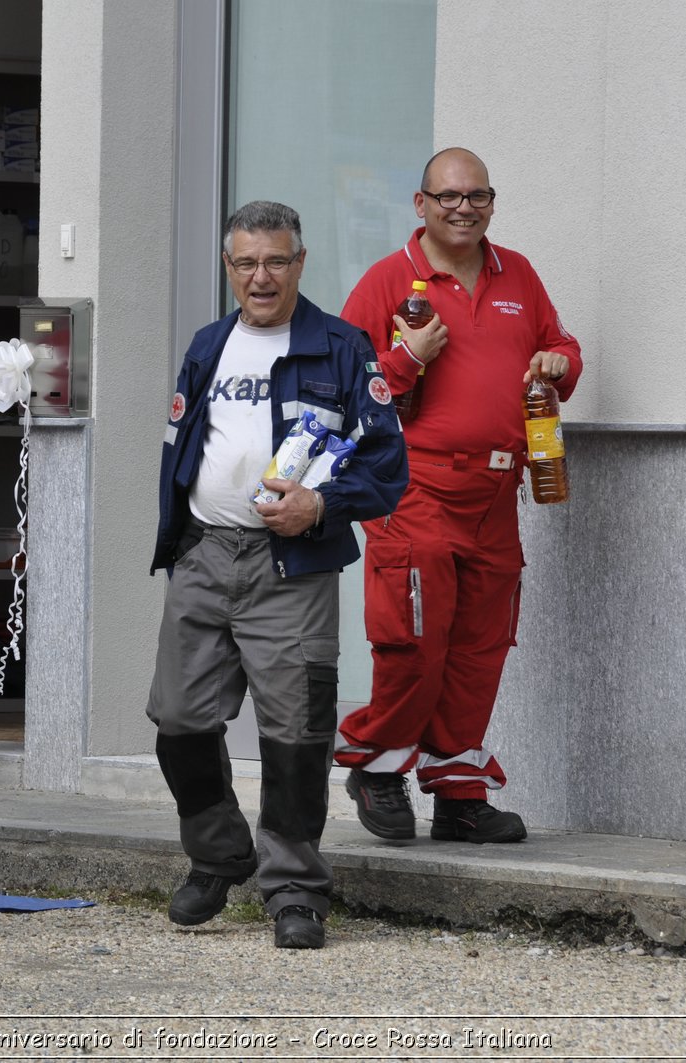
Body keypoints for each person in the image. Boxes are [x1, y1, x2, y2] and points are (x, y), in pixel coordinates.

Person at [147, 200, 408, 949]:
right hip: (203, 553)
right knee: (178, 722)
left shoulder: (341, 346)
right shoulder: (207, 345)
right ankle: (219, 851)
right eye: (245, 262)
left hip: (288, 565)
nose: (260, 276)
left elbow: (389, 465)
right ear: (228, 267)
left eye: (275, 261)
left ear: (300, 263)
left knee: (295, 736)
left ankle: (294, 887)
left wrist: (321, 503)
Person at [334, 147, 583, 844]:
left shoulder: (518, 274)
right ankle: (377, 768)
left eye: (476, 195)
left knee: (480, 645)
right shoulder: (390, 281)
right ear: (421, 204)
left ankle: (458, 792)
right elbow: (345, 390)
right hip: (413, 486)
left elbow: (558, 341)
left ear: (492, 203)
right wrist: (408, 357)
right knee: (414, 636)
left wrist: (563, 360)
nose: (463, 207)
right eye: (448, 196)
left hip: (500, 489)